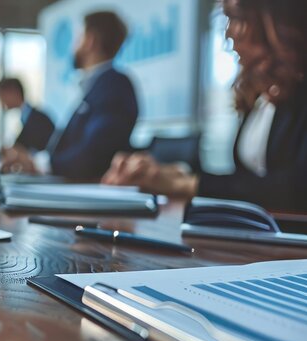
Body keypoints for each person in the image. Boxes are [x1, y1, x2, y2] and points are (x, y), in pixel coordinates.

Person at [102, 0, 307, 211]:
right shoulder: (261, 95)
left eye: (236, 19)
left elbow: (296, 189)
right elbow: (247, 182)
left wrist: (189, 184)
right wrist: (173, 174)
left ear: (275, 22)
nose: (228, 34)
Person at [2, 11, 138, 179]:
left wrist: (39, 164)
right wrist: (35, 161)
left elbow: (92, 156)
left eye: (79, 37)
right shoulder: (99, 87)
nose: (74, 45)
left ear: (90, 41)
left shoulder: (115, 86)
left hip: (88, 191)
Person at [0, 78, 54, 152]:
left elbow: (34, 148)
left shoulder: (39, 119)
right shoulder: (28, 117)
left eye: (2, 96)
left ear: (13, 92)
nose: (1, 101)